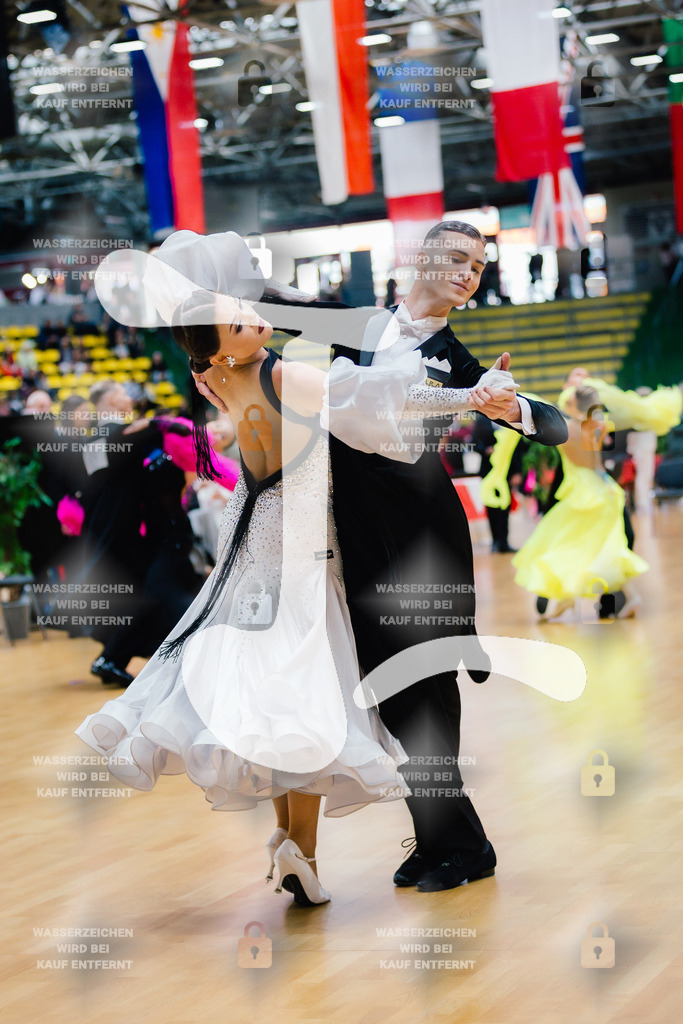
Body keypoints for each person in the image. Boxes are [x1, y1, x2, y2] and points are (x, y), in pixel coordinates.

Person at [75, 230, 515, 907]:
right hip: (310, 546)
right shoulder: (289, 363)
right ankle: (319, 847)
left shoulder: (226, 371)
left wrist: (486, 394)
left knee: (293, 690)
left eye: (477, 266)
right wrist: (467, 397)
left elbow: (344, 377)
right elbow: (376, 397)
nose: (257, 315)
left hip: (288, 544)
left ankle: (326, 845)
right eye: (238, 317)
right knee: (311, 692)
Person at [328, 221, 569, 892]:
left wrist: (510, 403)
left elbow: (557, 428)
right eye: (458, 260)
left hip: (422, 540)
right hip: (359, 536)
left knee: (423, 684)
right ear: (423, 259)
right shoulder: (356, 326)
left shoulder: (454, 356)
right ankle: (437, 837)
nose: (469, 273)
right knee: (389, 691)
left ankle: (461, 845)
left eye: (479, 266)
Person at [512, 384, 648, 621]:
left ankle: (567, 598)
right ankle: (627, 595)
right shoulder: (597, 426)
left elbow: (537, 428)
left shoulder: (569, 429)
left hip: (583, 493)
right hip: (604, 487)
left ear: (574, 404)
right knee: (603, 548)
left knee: (563, 544)